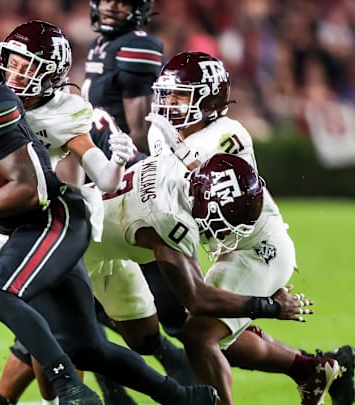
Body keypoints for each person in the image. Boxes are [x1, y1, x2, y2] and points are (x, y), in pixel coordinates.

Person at [0, 36, 221, 405]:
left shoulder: (43, 111)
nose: (15, 72)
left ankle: (72, 390)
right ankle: (178, 397)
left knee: (90, 332)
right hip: (0, 222)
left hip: (51, 219)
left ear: (51, 75)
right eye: (11, 61)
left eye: (27, 66)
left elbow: (40, 188)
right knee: (80, 344)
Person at [144, 50, 352, 405]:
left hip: (259, 247)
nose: (170, 103)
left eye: (180, 94)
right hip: (221, 246)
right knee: (222, 335)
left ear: (209, 98)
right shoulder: (161, 133)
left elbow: (205, 186)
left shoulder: (229, 134)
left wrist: (177, 151)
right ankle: (312, 369)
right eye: (167, 94)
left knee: (199, 335)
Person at [83, 3, 194, 403]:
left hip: (133, 193)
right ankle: (116, 392)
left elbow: (142, 134)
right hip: (108, 188)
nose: (113, 4)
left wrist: (143, 193)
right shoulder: (104, 46)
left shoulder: (136, 47)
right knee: (83, 306)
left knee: (184, 317)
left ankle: (306, 365)